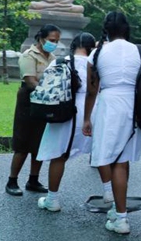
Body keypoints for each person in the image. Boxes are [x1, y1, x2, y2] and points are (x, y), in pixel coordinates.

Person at [83, 12, 141, 235]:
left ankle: (119, 213)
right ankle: (119, 213)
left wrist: (86, 118)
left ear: (106, 29)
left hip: (109, 105)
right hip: (135, 106)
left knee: (109, 158)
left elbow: (92, 90)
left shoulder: (97, 52)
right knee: (122, 161)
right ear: (126, 28)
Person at [36, 33, 97, 212]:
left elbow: (45, 85)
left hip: (63, 110)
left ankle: (52, 199)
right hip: (92, 110)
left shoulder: (59, 62)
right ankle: (110, 194)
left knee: (59, 155)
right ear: (91, 47)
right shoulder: (95, 64)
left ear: (73, 45)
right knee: (103, 156)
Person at [6, 24, 60, 197]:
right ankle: (12, 181)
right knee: (22, 143)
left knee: (39, 143)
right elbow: (30, 80)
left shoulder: (52, 57)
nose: (54, 44)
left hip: (44, 102)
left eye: (57, 41)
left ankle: (33, 180)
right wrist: (47, 92)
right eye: (52, 40)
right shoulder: (28, 56)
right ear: (41, 38)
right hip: (28, 100)